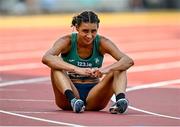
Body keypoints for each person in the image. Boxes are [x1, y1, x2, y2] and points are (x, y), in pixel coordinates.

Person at [42, 11, 134, 113]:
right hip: (69, 95)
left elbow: (128, 61)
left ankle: (120, 101)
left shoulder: (102, 42)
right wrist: (77, 69)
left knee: (119, 67)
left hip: (94, 96)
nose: (89, 36)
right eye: (85, 31)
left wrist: (104, 70)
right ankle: (73, 100)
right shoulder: (67, 41)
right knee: (56, 63)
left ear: (98, 29)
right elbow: (47, 57)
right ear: (77, 28)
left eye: (93, 31)